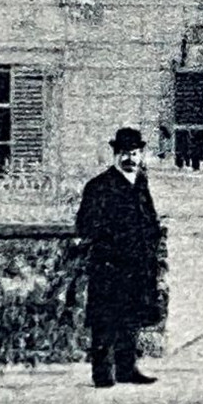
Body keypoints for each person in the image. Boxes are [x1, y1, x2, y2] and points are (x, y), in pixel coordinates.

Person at [75, 127, 163, 387]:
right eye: (124, 154)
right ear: (115, 155)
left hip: (138, 265)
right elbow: (86, 225)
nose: (130, 159)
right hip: (110, 266)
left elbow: (149, 220)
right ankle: (102, 373)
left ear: (141, 155)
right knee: (105, 319)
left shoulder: (141, 183)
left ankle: (127, 369)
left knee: (132, 317)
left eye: (134, 154)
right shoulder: (99, 186)